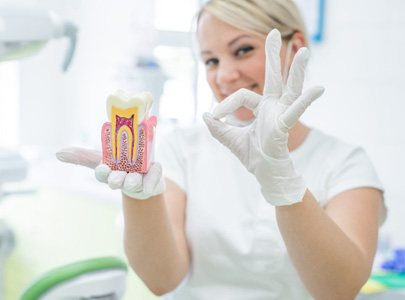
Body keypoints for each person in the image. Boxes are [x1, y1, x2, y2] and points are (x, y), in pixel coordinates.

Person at [57, 0, 386, 299]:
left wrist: (282, 182)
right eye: (211, 60)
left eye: (243, 50)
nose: (225, 75)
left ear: (294, 47)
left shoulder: (346, 163)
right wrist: (141, 200)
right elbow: (163, 280)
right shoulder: (182, 148)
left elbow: (339, 290)